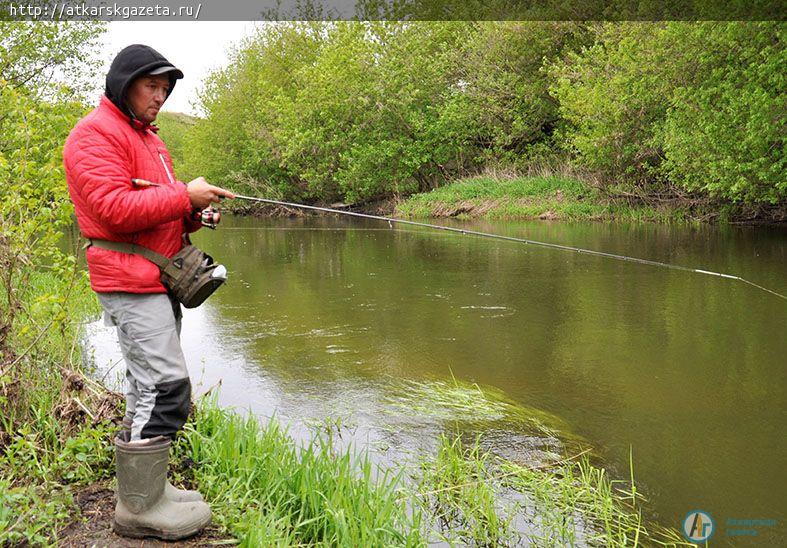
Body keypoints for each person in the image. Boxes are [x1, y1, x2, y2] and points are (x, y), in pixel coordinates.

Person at [63, 44, 234, 540]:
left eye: (166, 89)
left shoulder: (149, 139)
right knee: (166, 388)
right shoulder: (93, 135)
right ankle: (138, 508)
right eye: (151, 86)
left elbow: (150, 208)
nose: (159, 96)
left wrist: (191, 214)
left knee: (144, 387)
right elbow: (114, 209)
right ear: (125, 83)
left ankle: (148, 489)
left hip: (155, 280)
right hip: (128, 282)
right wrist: (185, 194)